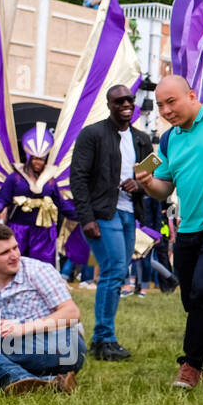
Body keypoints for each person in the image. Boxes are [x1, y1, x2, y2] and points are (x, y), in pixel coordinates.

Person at [135, 76, 203, 389]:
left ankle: (192, 364)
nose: (166, 110)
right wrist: (147, 183)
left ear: (192, 95)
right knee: (193, 298)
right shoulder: (169, 140)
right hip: (190, 227)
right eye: (160, 105)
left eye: (172, 102)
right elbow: (164, 188)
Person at [71, 84, 153, 362]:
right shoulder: (92, 135)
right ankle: (104, 339)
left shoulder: (141, 139)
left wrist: (139, 185)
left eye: (129, 100)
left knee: (118, 271)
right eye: (119, 101)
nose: (126, 104)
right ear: (109, 105)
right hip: (102, 214)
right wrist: (86, 218)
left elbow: (151, 174)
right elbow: (78, 178)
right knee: (114, 270)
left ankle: (103, 338)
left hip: (130, 213)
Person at [0, 223, 84, 394]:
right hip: (16, 349)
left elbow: (71, 313)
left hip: (63, 345)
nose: (15, 255)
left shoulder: (38, 270)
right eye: (5, 252)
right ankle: (49, 382)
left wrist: (22, 328)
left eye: (15, 248)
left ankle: (15, 378)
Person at [0, 124, 72, 266]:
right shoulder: (15, 178)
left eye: (41, 159)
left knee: (40, 265)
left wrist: (82, 214)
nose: (38, 162)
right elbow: (2, 198)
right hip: (18, 229)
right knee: (15, 262)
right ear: (29, 158)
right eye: (35, 158)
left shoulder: (50, 181)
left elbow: (61, 204)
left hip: (43, 231)